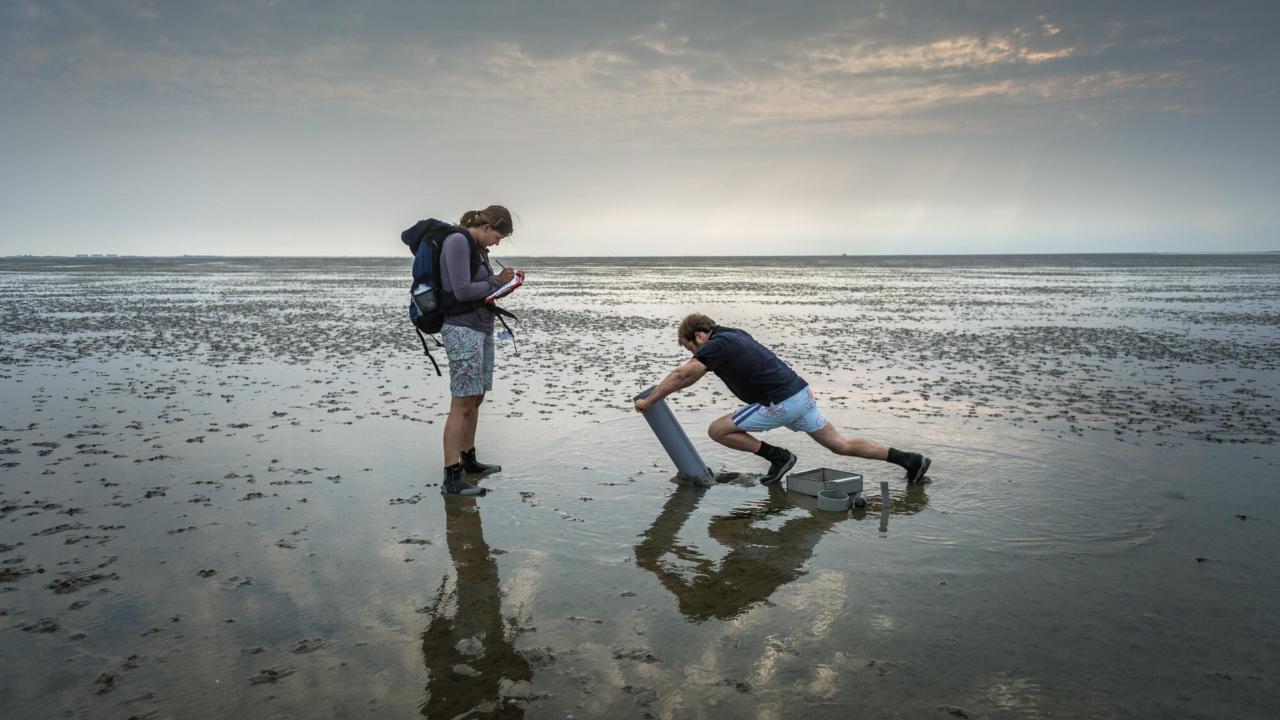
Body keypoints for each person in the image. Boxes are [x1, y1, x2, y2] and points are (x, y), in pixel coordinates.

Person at [634, 313, 931, 486]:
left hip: (781, 402)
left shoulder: (716, 344)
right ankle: (911, 460)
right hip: (801, 393)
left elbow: (682, 375)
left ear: (699, 335)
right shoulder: (734, 334)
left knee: (718, 430)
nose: (693, 354)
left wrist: (650, 401)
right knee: (840, 445)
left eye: (690, 348)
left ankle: (779, 457)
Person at [439, 205, 523, 496]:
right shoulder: (458, 241)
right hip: (461, 328)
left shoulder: (478, 248)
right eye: (499, 236)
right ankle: (451, 477)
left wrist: (505, 285)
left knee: (476, 397)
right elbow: (462, 290)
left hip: (481, 327)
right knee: (461, 402)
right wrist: (496, 282)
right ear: (487, 226)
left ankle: (469, 460)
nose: (498, 243)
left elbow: (481, 289)